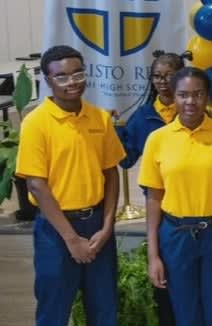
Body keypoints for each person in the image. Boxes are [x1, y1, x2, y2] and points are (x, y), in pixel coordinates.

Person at [15, 46, 125, 326]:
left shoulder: (100, 118)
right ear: (48, 80)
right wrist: (72, 240)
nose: (72, 82)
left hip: (97, 225)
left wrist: (107, 226)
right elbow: (36, 185)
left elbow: (111, 173)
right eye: (61, 76)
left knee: (104, 309)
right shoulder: (36, 123)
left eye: (77, 73)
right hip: (56, 229)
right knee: (54, 310)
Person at [141, 67, 212, 326]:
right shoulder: (158, 139)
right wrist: (153, 255)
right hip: (175, 235)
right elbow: (153, 199)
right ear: (173, 97)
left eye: (198, 94)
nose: (191, 101)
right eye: (183, 95)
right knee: (185, 312)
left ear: (207, 96)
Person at [118, 50, 185, 326]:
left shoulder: (192, 109)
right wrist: (113, 132)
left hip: (195, 206)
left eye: (169, 76)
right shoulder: (144, 117)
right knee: (165, 276)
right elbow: (126, 158)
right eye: (157, 76)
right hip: (161, 210)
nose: (162, 82)